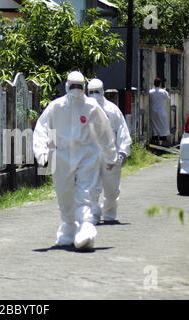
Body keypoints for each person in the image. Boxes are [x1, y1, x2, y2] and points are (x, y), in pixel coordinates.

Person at [33, 71, 117, 250]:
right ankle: (68, 228)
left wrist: (110, 156)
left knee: (86, 194)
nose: (76, 90)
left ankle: (86, 226)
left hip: (87, 154)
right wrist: (41, 153)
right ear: (67, 86)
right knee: (64, 194)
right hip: (61, 155)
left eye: (80, 86)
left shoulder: (92, 106)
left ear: (84, 88)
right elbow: (41, 128)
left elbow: (104, 131)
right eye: (73, 86)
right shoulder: (56, 107)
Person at [88, 79, 132, 225]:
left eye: (97, 92)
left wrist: (123, 152)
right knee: (91, 188)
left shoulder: (112, 110)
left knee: (112, 190)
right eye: (91, 92)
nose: (94, 95)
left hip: (110, 155)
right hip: (91, 155)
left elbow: (122, 131)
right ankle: (93, 214)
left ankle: (109, 214)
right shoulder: (83, 109)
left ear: (102, 91)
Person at [149, 77, 171, 145]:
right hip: (161, 111)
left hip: (153, 111)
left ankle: (155, 139)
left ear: (154, 84)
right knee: (163, 126)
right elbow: (168, 98)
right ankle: (163, 140)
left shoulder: (150, 92)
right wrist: (165, 90)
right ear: (160, 84)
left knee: (154, 125)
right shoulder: (163, 91)